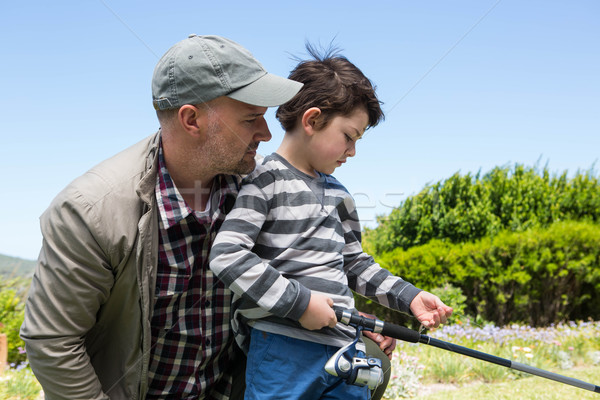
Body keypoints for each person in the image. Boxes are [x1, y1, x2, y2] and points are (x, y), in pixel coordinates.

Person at [19, 34, 394, 400]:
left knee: (370, 363)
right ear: (192, 119)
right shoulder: (90, 210)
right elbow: (53, 342)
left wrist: (344, 316)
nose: (266, 133)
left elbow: (299, 262)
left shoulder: (259, 182)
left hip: (233, 384)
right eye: (250, 119)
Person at [209, 45, 453, 400]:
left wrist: (409, 297)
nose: (352, 151)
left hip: (344, 348)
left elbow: (355, 264)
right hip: (282, 350)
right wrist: (302, 304)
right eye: (349, 137)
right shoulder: (265, 180)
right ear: (311, 120)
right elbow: (228, 255)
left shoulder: (339, 193)